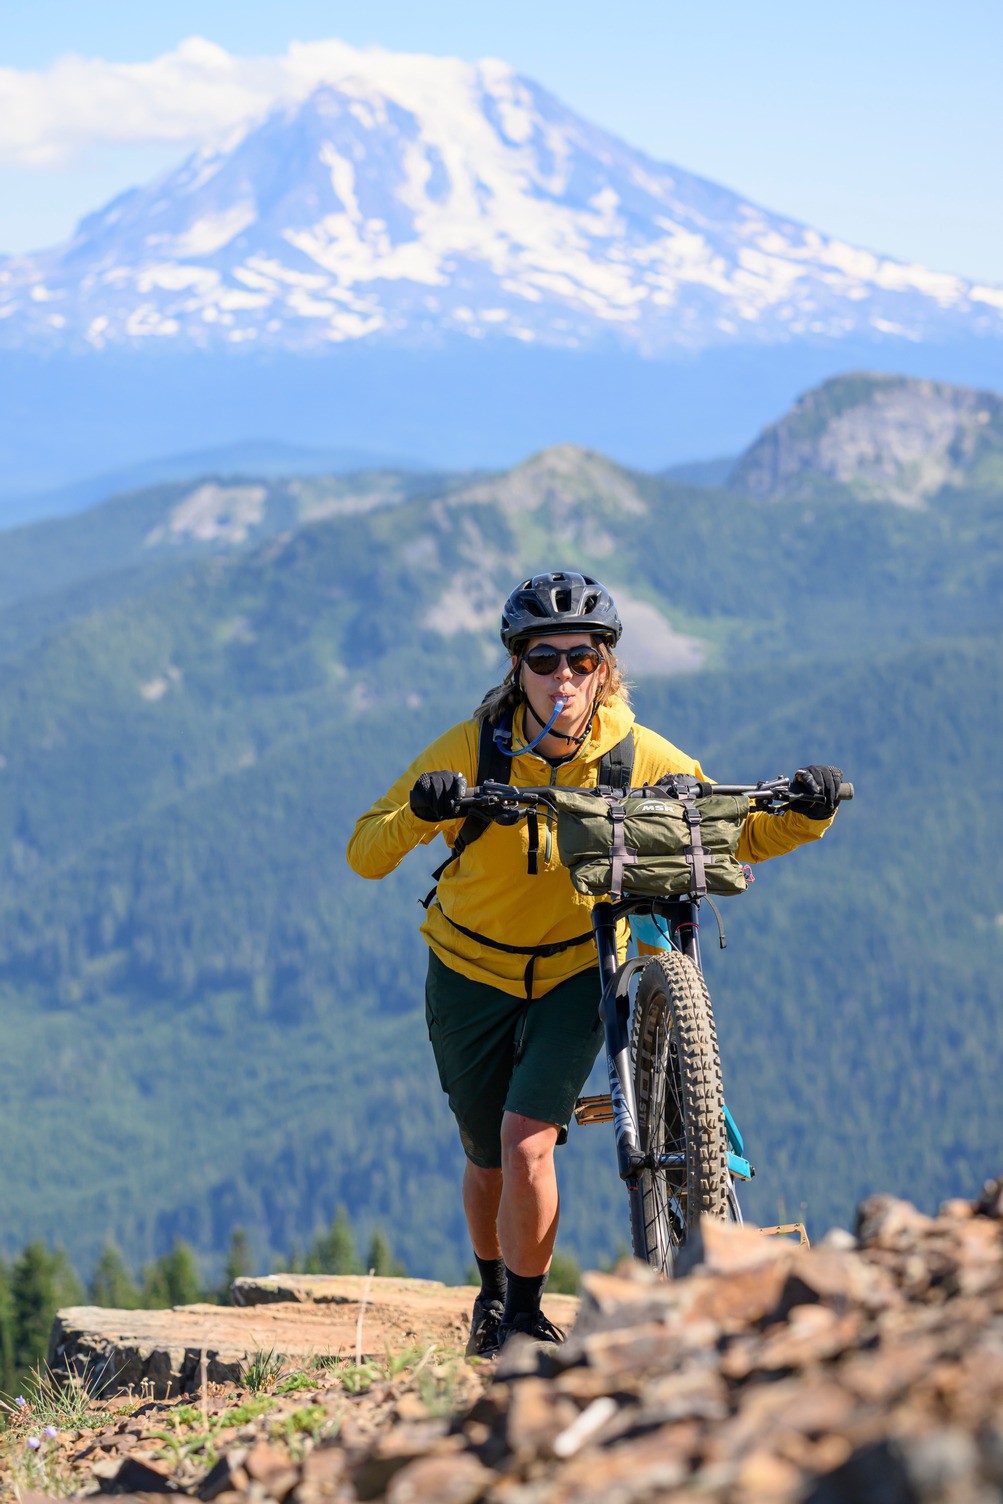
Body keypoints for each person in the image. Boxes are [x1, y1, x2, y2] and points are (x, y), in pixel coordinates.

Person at [346, 570, 843, 1356]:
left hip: (578, 972)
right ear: (516, 666)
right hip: (468, 971)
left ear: (604, 667)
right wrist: (420, 808)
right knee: (486, 1158)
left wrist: (808, 814)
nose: (564, 677)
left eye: (582, 659)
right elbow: (365, 852)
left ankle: (523, 1317)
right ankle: (491, 1293)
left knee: (524, 1144)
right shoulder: (471, 748)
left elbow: (728, 832)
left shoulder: (635, 753)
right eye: (544, 660)